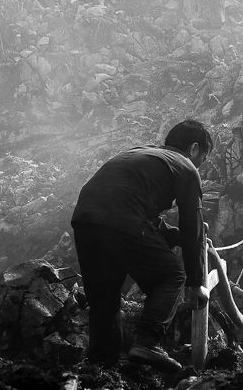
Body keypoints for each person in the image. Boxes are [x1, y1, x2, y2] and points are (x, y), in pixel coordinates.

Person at [71, 120, 213, 372]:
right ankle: (148, 341)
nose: (200, 163)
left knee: (104, 297)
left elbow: (136, 204)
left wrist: (171, 235)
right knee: (170, 276)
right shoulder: (186, 167)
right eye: (203, 157)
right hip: (122, 220)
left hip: (86, 219)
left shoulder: (141, 153)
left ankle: (100, 367)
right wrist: (195, 282)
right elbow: (193, 224)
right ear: (194, 148)